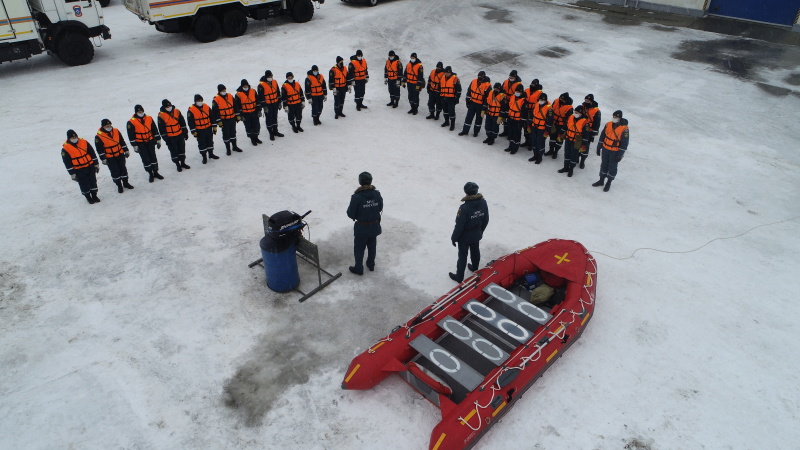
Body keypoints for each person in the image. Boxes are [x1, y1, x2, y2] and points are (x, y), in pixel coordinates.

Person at [449, 182, 489, 283]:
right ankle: (475, 268)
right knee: (475, 251)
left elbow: (459, 225)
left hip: (465, 237)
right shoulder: (483, 203)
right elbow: (486, 219)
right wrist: (480, 230)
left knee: (463, 255)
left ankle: (459, 276)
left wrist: (454, 238)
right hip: (477, 233)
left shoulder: (464, 208)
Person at [346, 171, 383, 275]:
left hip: (361, 228)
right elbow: (380, 207)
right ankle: (371, 265)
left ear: (360, 182)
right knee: (372, 246)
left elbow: (351, 213)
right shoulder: (376, 194)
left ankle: (359, 268)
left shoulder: (356, 197)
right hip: (374, 226)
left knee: (359, 248)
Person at [593, 110, 629, 192]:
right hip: (606, 149)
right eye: (613, 117)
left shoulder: (624, 129)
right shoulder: (608, 124)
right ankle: (601, 180)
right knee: (604, 164)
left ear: (620, 118)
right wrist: (599, 147)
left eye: (616, 117)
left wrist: (620, 154)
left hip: (615, 151)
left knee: (612, 167)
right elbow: (602, 135)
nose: (614, 118)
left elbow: (624, 143)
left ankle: (609, 182)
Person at [127, 104, 164, 183]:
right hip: (140, 143)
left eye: (141, 111)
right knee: (146, 159)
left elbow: (154, 129)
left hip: (150, 141)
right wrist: (134, 145)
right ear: (136, 112)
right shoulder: (131, 122)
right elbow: (131, 135)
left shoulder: (149, 118)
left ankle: (156, 172)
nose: (140, 112)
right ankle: (150, 173)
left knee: (153, 157)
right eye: (139, 111)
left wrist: (158, 139)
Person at [95, 119, 134, 193]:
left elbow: (121, 141)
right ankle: (119, 185)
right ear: (103, 126)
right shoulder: (99, 136)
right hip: (110, 157)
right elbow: (99, 149)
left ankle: (126, 183)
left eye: (109, 125)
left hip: (120, 153)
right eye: (107, 125)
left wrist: (126, 150)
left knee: (123, 168)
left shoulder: (116, 131)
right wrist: (103, 158)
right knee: (115, 171)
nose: (109, 126)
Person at [62, 129, 101, 204]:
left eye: (75, 137)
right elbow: (67, 162)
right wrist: (72, 174)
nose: (74, 139)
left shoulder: (84, 142)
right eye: (72, 138)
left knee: (93, 181)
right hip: (78, 169)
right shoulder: (65, 148)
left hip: (90, 166)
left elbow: (92, 153)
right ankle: (88, 197)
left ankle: (94, 195)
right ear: (69, 139)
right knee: (84, 183)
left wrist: (96, 164)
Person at [557, 104, 591, 177]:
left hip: (576, 141)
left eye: (577, 113)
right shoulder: (570, 117)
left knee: (574, 155)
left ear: (581, 113)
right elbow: (565, 127)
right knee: (567, 153)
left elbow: (586, 135)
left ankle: (571, 169)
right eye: (575, 112)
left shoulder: (585, 123)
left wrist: (584, 145)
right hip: (568, 138)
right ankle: (566, 167)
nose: (575, 114)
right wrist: (560, 134)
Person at [157, 99, 191, 172]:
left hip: (179, 134)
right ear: (164, 107)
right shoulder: (161, 115)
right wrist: (166, 139)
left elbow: (182, 122)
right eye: (167, 106)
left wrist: (185, 132)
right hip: (171, 137)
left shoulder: (177, 111)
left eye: (170, 105)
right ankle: (177, 164)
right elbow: (161, 129)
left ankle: (183, 163)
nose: (169, 107)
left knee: (182, 149)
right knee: (174, 151)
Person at [187, 94, 219, 164]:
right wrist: (193, 131)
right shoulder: (191, 110)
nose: (200, 102)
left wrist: (214, 126)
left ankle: (211, 154)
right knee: (202, 143)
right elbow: (190, 122)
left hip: (208, 128)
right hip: (199, 130)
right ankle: (204, 157)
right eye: (199, 100)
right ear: (195, 101)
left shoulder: (206, 107)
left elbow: (212, 116)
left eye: (201, 100)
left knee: (210, 141)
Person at [213, 84, 242, 155]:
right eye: (222, 90)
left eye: (224, 90)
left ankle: (234, 146)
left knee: (233, 132)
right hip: (224, 120)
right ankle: (228, 149)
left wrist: (237, 115)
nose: (224, 91)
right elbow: (215, 111)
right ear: (219, 91)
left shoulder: (230, 96)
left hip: (232, 118)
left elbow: (235, 106)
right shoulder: (216, 99)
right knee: (226, 134)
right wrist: (218, 121)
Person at [459, 71, 490, 137]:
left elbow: (488, 98)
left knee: (479, 119)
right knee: (468, 117)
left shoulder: (487, 85)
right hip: (472, 103)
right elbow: (469, 91)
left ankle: (476, 132)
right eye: (479, 76)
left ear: (484, 77)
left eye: (481, 76)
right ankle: (465, 131)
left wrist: (484, 107)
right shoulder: (473, 81)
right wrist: (467, 100)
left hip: (480, 105)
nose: (480, 77)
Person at [545, 92, 573, 159]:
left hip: (561, 125)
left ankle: (556, 152)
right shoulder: (556, 101)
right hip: (554, 123)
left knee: (559, 139)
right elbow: (551, 109)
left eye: (563, 99)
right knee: (552, 137)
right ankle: (551, 150)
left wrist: (564, 128)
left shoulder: (569, 108)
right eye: (560, 98)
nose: (561, 100)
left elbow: (569, 120)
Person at [527, 93, 553, 164]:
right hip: (534, 126)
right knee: (534, 141)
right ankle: (535, 155)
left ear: (545, 100)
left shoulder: (549, 109)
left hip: (542, 128)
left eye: (542, 100)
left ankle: (540, 156)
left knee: (540, 142)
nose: (541, 101)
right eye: (540, 99)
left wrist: (547, 131)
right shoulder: (536, 105)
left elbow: (549, 121)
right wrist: (529, 125)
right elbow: (531, 115)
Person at [258, 70, 284, 140]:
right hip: (268, 104)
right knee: (269, 118)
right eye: (269, 76)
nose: (270, 77)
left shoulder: (274, 82)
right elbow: (261, 97)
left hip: (275, 102)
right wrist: (264, 106)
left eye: (271, 76)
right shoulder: (261, 85)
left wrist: (279, 102)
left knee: (275, 117)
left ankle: (276, 131)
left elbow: (278, 92)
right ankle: (271, 133)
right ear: (266, 77)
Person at [235, 79, 262, 145]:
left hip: (254, 112)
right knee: (248, 127)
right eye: (244, 86)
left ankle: (256, 137)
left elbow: (257, 101)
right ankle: (252, 139)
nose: (245, 87)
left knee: (256, 126)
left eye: (246, 85)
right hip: (245, 114)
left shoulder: (253, 91)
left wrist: (259, 110)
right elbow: (237, 106)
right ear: (241, 86)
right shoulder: (238, 94)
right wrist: (241, 115)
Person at [580, 94, 602, 169]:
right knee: (577, 144)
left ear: (591, 101)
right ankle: (576, 158)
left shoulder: (596, 111)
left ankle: (582, 160)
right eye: (585, 100)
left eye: (588, 101)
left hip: (589, 131)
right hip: (580, 129)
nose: (586, 102)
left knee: (585, 146)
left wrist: (594, 133)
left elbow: (597, 122)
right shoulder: (582, 107)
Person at [503, 84, 527, 154]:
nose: (517, 93)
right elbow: (509, 106)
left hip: (518, 120)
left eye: (519, 92)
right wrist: (506, 115)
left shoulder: (524, 101)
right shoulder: (512, 97)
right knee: (510, 133)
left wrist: (522, 122)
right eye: (516, 91)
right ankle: (510, 146)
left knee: (516, 134)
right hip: (510, 118)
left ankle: (515, 147)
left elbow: (524, 113)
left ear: (522, 92)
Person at [500, 70, 522, 137]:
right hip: (505, 101)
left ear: (515, 77)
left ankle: (510, 133)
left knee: (510, 118)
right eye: (510, 76)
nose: (511, 77)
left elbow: (520, 95)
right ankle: (505, 131)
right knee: (504, 117)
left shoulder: (519, 85)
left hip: (512, 103)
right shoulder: (505, 82)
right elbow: (501, 90)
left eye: (512, 76)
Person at [438, 66, 462, 131]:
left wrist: (456, 98)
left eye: (448, 72)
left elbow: (459, 90)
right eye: (446, 72)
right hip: (443, 97)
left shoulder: (455, 79)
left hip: (451, 98)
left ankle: (452, 124)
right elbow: (439, 87)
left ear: (450, 72)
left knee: (451, 112)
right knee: (445, 111)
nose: (447, 74)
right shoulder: (442, 77)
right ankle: (446, 122)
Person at [521, 79, 543, 148]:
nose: (532, 85)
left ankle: (531, 143)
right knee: (525, 126)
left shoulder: (540, 93)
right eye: (532, 84)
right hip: (525, 110)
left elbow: (540, 103)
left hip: (533, 112)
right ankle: (526, 141)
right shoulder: (527, 90)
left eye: (534, 84)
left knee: (530, 127)